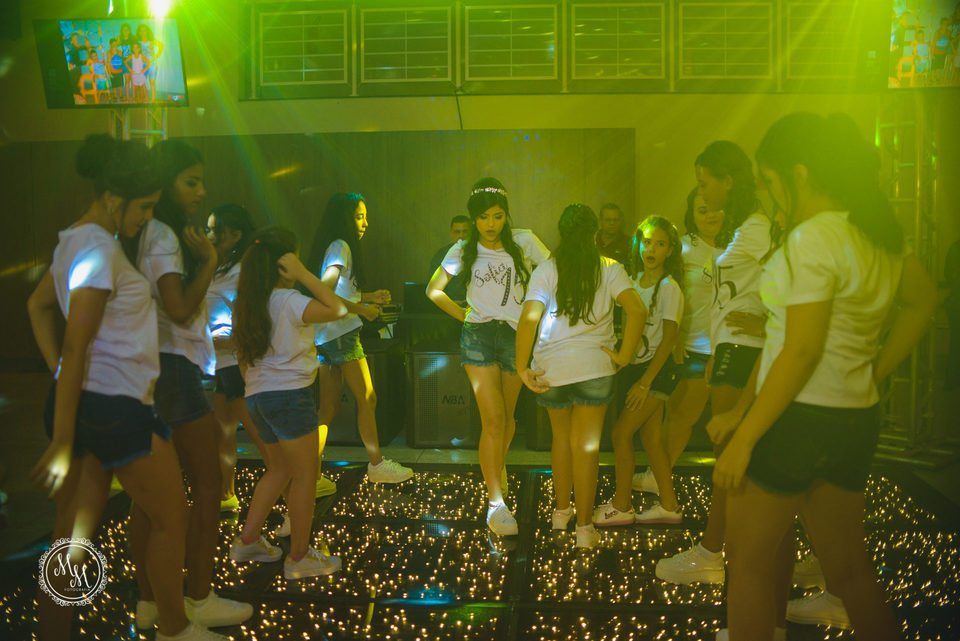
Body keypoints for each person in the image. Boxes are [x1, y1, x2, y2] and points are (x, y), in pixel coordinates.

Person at [711, 112, 937, 641]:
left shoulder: (813, 237)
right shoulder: (879, 234)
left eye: (770, 181)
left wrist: (744, 438)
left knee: (747, 564)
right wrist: (873, 372)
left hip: (796, 419)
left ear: (800, 174)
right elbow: (923, 302)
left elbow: (802, 350)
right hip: (854, 419)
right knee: (851, 570)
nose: (770, 194)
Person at [26, 134, 227, 641]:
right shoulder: (97, 247)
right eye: (144, 207)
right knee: (170, 516)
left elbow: (37, 307)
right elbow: (76, 345)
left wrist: (60, 383)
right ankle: (174, 627)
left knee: (71, 538)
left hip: (94, 403)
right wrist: (62, 439)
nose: (147, 218)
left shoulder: (73, 239)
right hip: (117, 408)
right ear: (113, 198)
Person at [127, 140, 252, 630]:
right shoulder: (163, 234)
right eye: (191, 182)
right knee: (206, 482)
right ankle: (197, 596)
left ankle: (150, 603)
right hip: (173, 369)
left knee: (151, 498)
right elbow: (179, 308)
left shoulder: (149, 231)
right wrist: (208, 262)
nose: (200, 192)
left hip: (153, 366)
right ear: (165, 183)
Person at [655, 140, 773, 587]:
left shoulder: (757, 228)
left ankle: (713, 552)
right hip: (728, 347)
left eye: (705, 183)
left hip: (743, 349)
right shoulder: (742, 228)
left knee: (731, 458)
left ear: (728, 181)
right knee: (732, 457)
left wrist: (767, 320)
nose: (701, 192)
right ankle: (731, 552)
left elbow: (788, 284)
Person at [515, 204, 645, 548]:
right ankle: (585, 529)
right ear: (594, 233)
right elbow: (637, 310)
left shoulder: (547, 269)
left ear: (561, 234)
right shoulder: (610, 268)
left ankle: (561, 513)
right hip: (595, 368)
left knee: (561, 440)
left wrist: (521, 366)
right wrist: (625, 356)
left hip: (551, 368)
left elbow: (528, 318)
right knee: (586, 447)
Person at [427, 177, 550, 536]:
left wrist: (537, 316)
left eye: (497, 216)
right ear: (474, 218)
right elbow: (433, 290)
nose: (491, 224)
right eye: (483, 217)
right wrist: (463, 314)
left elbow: (553, 275)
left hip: (515, 336)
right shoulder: (464, 248)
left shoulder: (525, 241)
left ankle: (497, 466)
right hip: (478, 336)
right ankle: (496, 503)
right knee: (493, 419)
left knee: (508, 418)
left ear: (506, 215)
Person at [228, 227, 347, 579]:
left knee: (278, 470)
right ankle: (298, 558)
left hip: (257, 397)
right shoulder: (288, 300)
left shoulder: (248, 303)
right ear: (285, 263)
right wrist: (304, 274)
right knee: (306, 475)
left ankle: (248, 541)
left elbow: (241, 358)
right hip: (290, 397)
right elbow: (338, 308)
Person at [308, 193, 413, 484]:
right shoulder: (341, 246)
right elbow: (325, 292)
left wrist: (367, 297)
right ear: (344, 218)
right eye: (358, 217)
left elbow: (337, 291)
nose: (365, 223)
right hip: (341, 336)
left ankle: (311, 474)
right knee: (368, 398)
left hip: (325, 335)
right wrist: (363, 310)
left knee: (327, 408)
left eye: (365, 217)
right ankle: (377, 465)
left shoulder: (333, 245)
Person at [594, 216, 685, 526]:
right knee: (652, 440)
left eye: (660, 244)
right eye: (647, 242)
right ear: (639, 245)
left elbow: (670, 339)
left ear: (670, 250)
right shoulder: (632, 280)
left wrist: (646, 382)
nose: (652, 249)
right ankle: (670, 506)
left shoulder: (669, 287)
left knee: (620, 434)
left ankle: (622, 506)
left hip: (656, 373)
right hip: (635, 369)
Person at [633, 189, 724, 499]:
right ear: (692, 215)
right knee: (680, 416)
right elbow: (666, 293)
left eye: (715, 208)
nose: (710, 215)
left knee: (713, 422)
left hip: (726, 347)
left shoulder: (737, 248)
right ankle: (658, 476)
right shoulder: (682, 248)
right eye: (702, 210)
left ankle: (665, 479)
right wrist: (675, 338)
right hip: (689, 346)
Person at [204, 204, 257, 512]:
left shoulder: (240, 272)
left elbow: (254, 320)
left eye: (215, 229)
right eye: (208, 228)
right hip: (221, 364)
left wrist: (229, 340)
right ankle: (226, 495)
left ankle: (293, 495)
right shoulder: (217, 266)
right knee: (223, 433)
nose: (208, 234)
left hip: (236, 363)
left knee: (260, 436)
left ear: (236, 235)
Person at [429, 215, 471, 303]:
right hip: (449, 305)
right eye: (457, 232)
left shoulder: (479, 253)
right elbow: (434, 288)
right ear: (451, 233)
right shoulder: (441, 255)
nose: (461, 235)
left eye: (465, 231)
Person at [136, 23, 165, 101]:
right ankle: (144, 97)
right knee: (141, 82)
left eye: (144, 30)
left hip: (152, 64)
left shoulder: (152, 40)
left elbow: (161, 45)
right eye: (141, 31)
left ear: (147, 31)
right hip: (142, 64)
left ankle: (153, 100)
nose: (143, 32)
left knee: (152, 82)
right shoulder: (138, 41)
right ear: (139, 32)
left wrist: (157, 55)